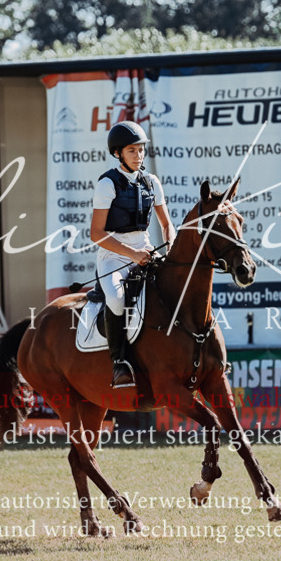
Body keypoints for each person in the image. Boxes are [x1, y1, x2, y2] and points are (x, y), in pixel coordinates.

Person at [91, 120, 176, 388]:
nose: (139, 156)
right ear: (118, 153)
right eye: (132, 150)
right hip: (112, 256)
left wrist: (170, 244)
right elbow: (96, 234)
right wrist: (131, 253)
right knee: (116, 301)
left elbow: (166, 223)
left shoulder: (152, 182)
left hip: (146, 250)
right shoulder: (107, 183)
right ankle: (119, 363)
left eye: (141, 150)